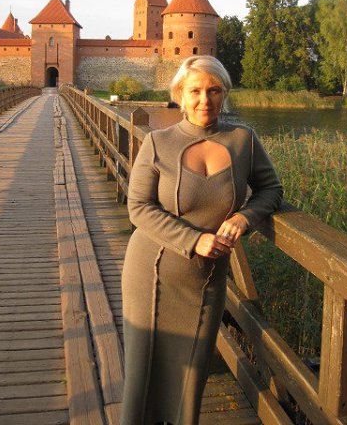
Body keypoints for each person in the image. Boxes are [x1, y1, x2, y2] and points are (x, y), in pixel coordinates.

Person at [121, 55, 283, 425]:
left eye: (214, 90)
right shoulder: (158, 142)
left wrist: (245, 217)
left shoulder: (243, 140)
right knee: (143, 378)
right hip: (151, 274)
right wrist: (194, 240)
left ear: (225, 93)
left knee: (191, 380)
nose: (204, 100)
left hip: (206, 279)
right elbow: (138, 207)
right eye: (195, 91)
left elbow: (271, 189)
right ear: (180, 95)